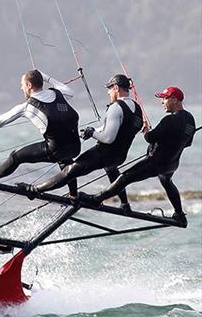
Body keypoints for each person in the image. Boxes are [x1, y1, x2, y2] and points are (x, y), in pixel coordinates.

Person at [79, 86, 195, 227]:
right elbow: (187, 143)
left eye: (165, 98)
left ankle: (96, 199)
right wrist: (170, 142)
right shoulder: (190, 120)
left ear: (175, 99)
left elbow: (151, 138)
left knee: (124, 177)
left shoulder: (169, 120)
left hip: (155, 163)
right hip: (171, 164)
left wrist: (146, 130)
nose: (162, 102)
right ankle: (180, 215)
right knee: (167, 181)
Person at [25, 74, 143, 206]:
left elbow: (108, 138)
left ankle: (34, 190)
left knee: (70, 171)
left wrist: (92, 133)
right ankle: (125, 204)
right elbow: (118, 129)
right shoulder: (137, 109)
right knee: (111, 169)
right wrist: (92, 131)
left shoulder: (116, 107)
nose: (108, 92)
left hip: (103, 154)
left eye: (109, 89)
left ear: (116, 88)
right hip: (120, 156)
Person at [0, 70, 80, 185]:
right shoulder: (58, 94)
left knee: (16, 156)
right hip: (75, 148)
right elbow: (70, 91)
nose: (21, 88)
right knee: (64, 157)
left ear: (29, 85)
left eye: (22, 85)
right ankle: (74, 197)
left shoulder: (27, 107)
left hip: (55, 151)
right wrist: (47, 78)